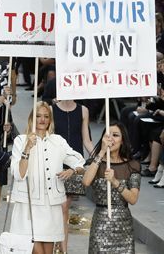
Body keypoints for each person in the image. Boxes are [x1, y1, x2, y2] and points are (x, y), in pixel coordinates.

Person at [10, 102, 85, 254]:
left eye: (46, 116)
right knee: (35, 250)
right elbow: (19, 174)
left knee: (48, 251)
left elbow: (80, 161)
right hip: (28, 206)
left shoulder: (58, 141)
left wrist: (72, 171)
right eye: (38, 116)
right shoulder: (21, 140)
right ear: (32, 118)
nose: (42, 120)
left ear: (50, 120)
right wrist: (27, 149)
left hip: (51, 205)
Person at [83, 123, 141, 254]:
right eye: (108, 135)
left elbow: (132, 199)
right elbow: (86, 182)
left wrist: (115, 182)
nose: (111, 139)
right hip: (101, 223)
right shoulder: (95, 163)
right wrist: (102, 152)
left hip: (124, 226)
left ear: (123, 140)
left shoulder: (132, 165)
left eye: (115, 135)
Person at [52, 99, 92, 254]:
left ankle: (62, 249)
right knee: (57, 208)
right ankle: (56, 246)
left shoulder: (83, 110)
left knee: (64, 208)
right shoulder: (51, 109)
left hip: (75, 164)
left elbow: (86, 140)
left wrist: (99, 158)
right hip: (55, 163)